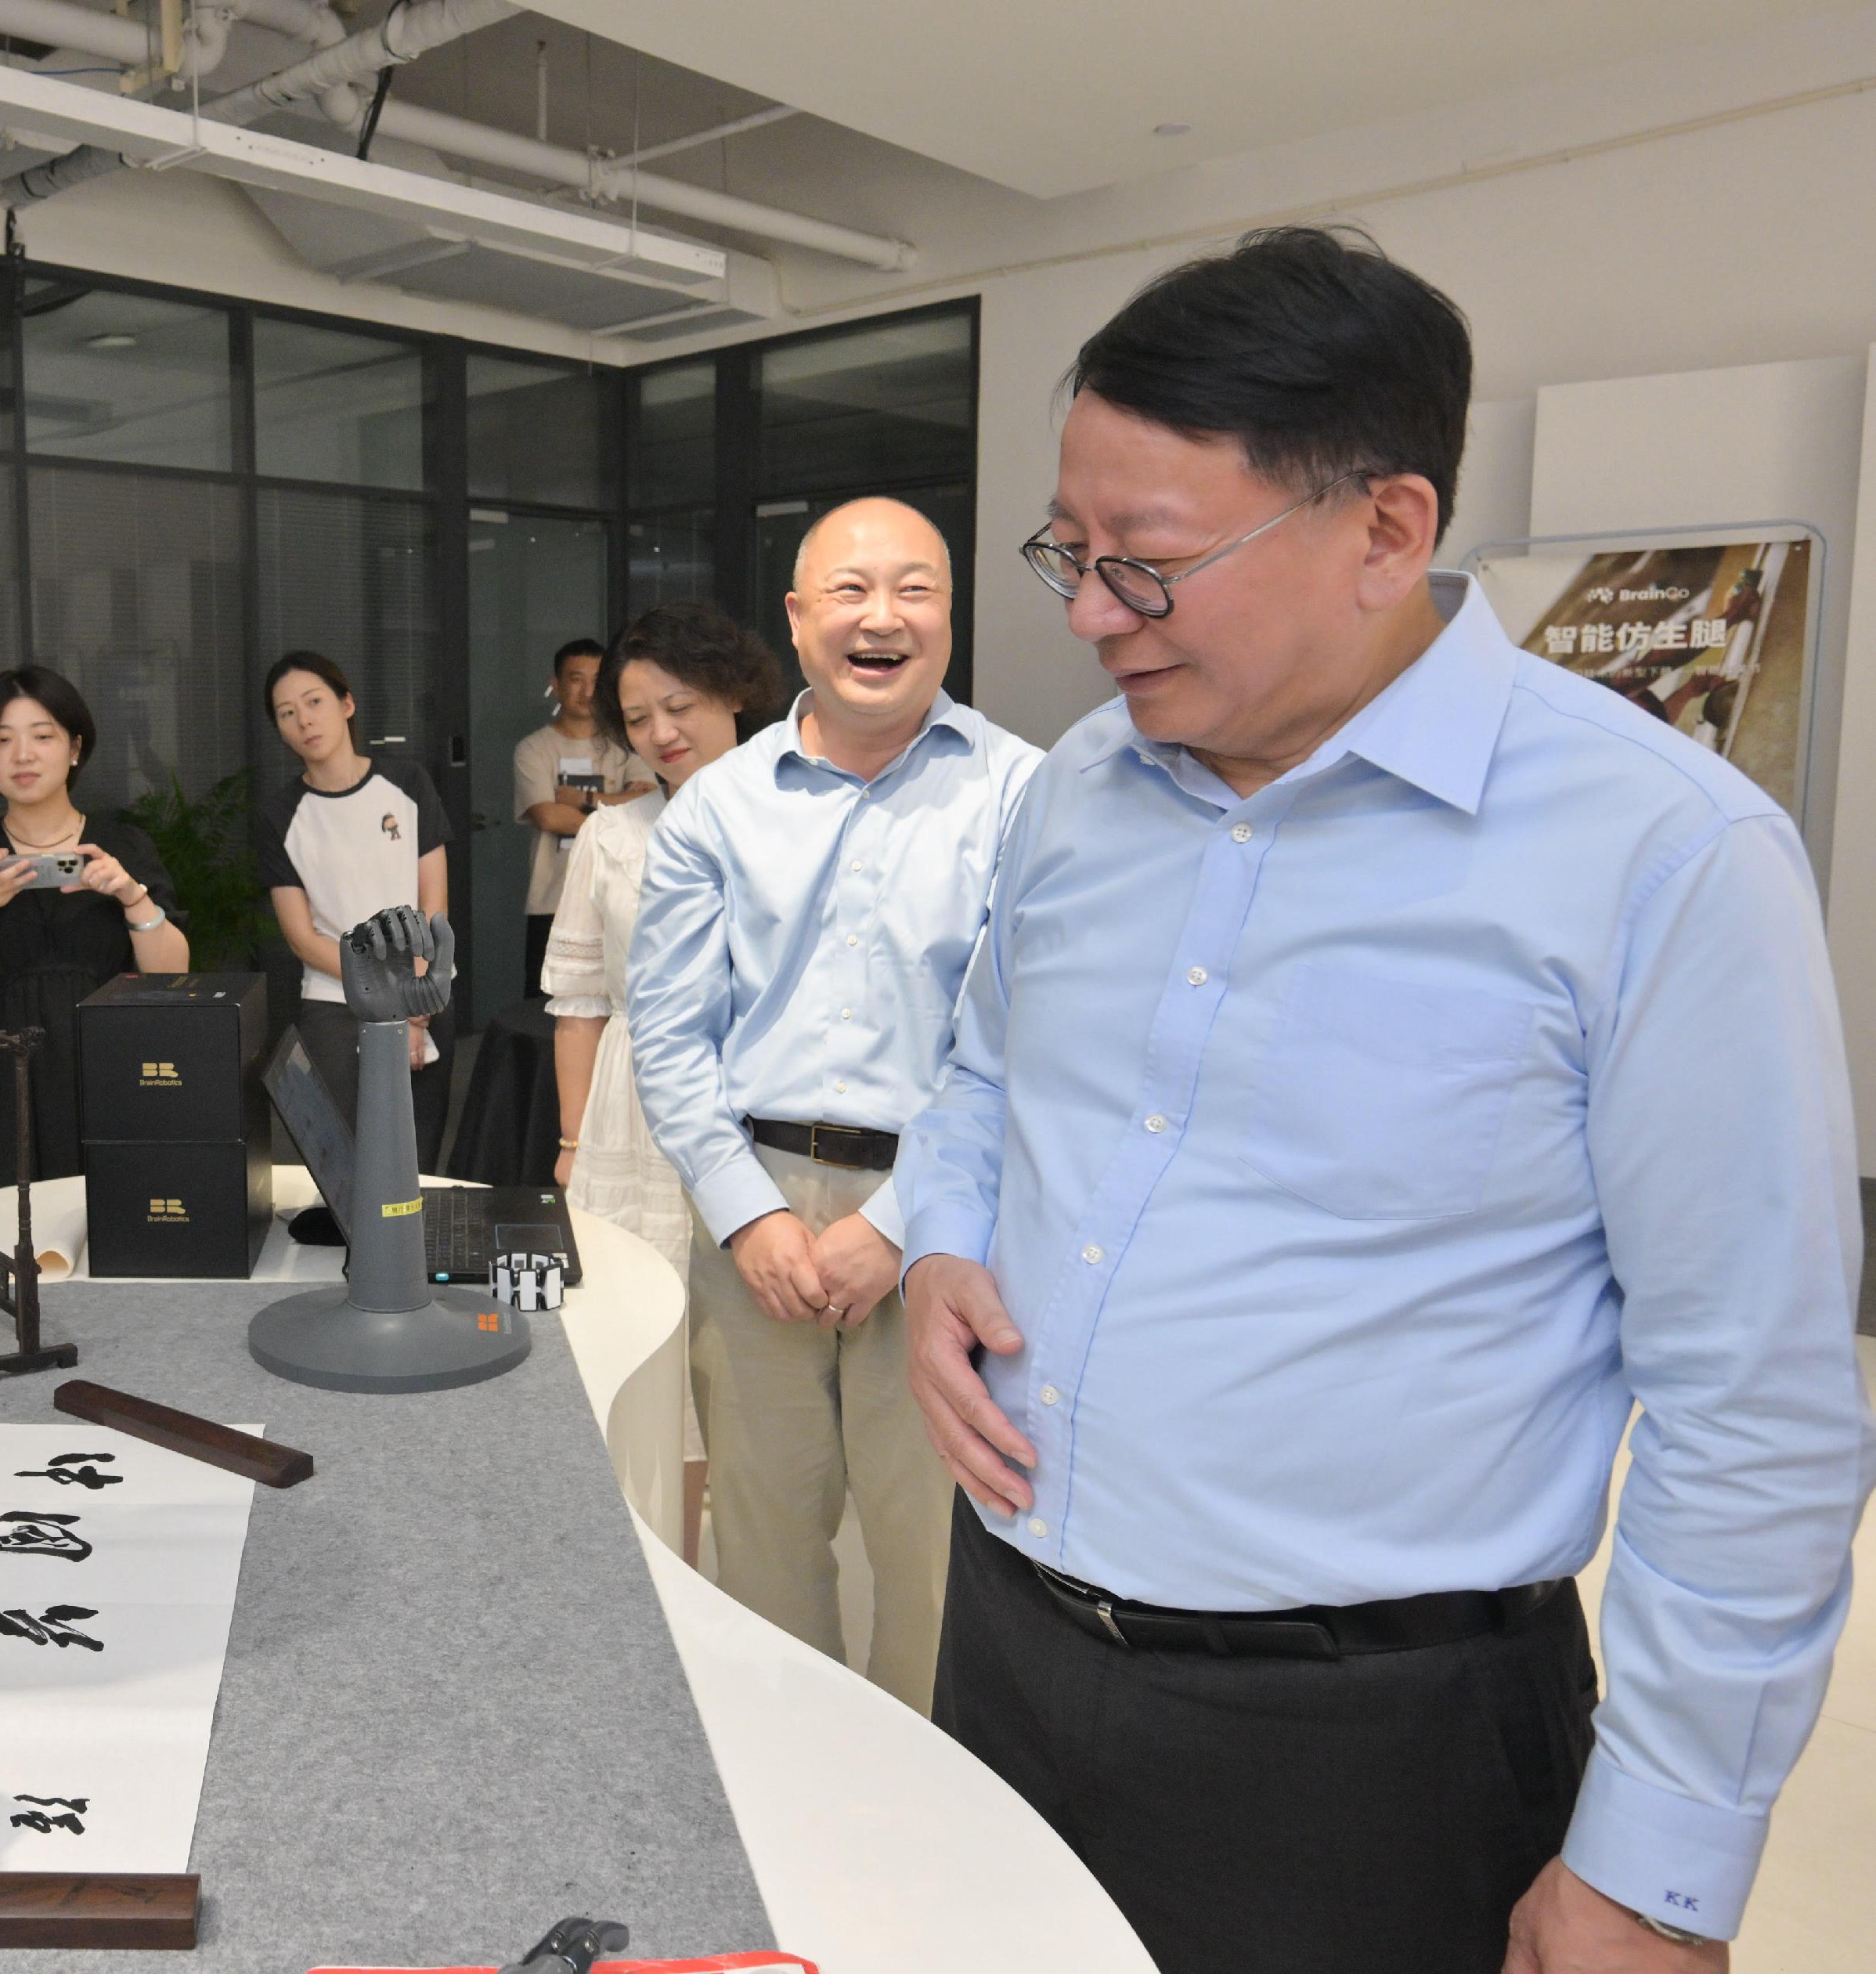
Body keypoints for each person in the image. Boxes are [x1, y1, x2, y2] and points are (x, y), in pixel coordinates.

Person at [897, 227, 1876, 1974]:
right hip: (1006, 1641)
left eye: (1149, 564)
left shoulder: (1657, 856)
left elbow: (1753, 1405)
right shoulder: (1076, 796)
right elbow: (982, 1064)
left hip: (1367, 1747)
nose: (1084, 614)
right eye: (1071, 551)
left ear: (1384, 528)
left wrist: (1654, 1874)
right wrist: (939, 1245)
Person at [630, 499, 1041, 1713]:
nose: (883, 618)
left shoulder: (1027, 794)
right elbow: (670, 1033)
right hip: (754, 1206)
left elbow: (1029, 1038)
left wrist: (901, 1223)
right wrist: (749, 1219)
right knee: (760, 1539)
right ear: (800, 621)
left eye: (915, 590)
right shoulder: (717, 805)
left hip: (951, 1218)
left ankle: (923, 1810)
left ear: (949, 616)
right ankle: (782, 1788)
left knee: (935, 1557)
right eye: (850, 593)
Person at [544, 601, 783, 1268]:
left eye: (679, 705)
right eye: (639, 719)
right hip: (635, 1104)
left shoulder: (799, 819)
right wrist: (572, 1144)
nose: (662, 733)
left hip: (758, 1100)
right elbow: (581, 1003)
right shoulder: (611, 834)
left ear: (733, 691)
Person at [0, 666, 188, 1191]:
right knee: (7, 1236)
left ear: (75, 747)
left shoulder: (123, 845)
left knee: (113, 1229)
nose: (23, 755)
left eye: (42, 736)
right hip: (3, 1080)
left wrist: (131, 894)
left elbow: (171, 972)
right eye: (2, 740)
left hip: (109, 1070)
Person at [256, 650, 453, 1171]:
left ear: (346, 704)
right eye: (286, 712)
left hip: (421, 991)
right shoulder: (281, 815)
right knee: (345, 1154)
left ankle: (417, 1253)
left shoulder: (407, 783)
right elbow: (301, 937)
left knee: (415, 1153)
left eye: (314, 701)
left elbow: (433, 903)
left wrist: (413, 996)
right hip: (333, 1000)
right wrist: (380, 988)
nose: (304, 719)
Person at [512, 637, 654, 994]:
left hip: (622, 896)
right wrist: (620, 807)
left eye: (597, 680)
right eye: (576, 679)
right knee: (547, 1010)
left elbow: (649, 806)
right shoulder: (534, 748)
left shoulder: (627, 745)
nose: (587, 691)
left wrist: (582, 798)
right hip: (551, 899)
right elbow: (547, 817)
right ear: (556, 685)